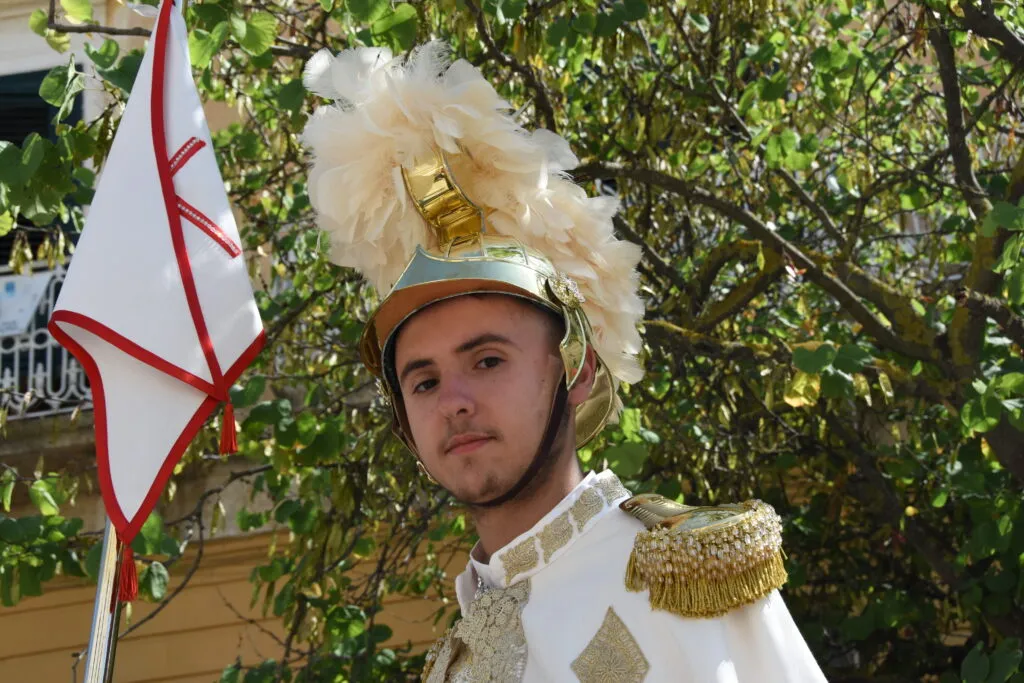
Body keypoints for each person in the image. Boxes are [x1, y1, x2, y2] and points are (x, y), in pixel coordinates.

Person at [303, 42, 827, 683]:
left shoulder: (687, 573)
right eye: (425, 381)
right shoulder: (451, 668)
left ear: (575, 372)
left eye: (487, 361)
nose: (454, 402)